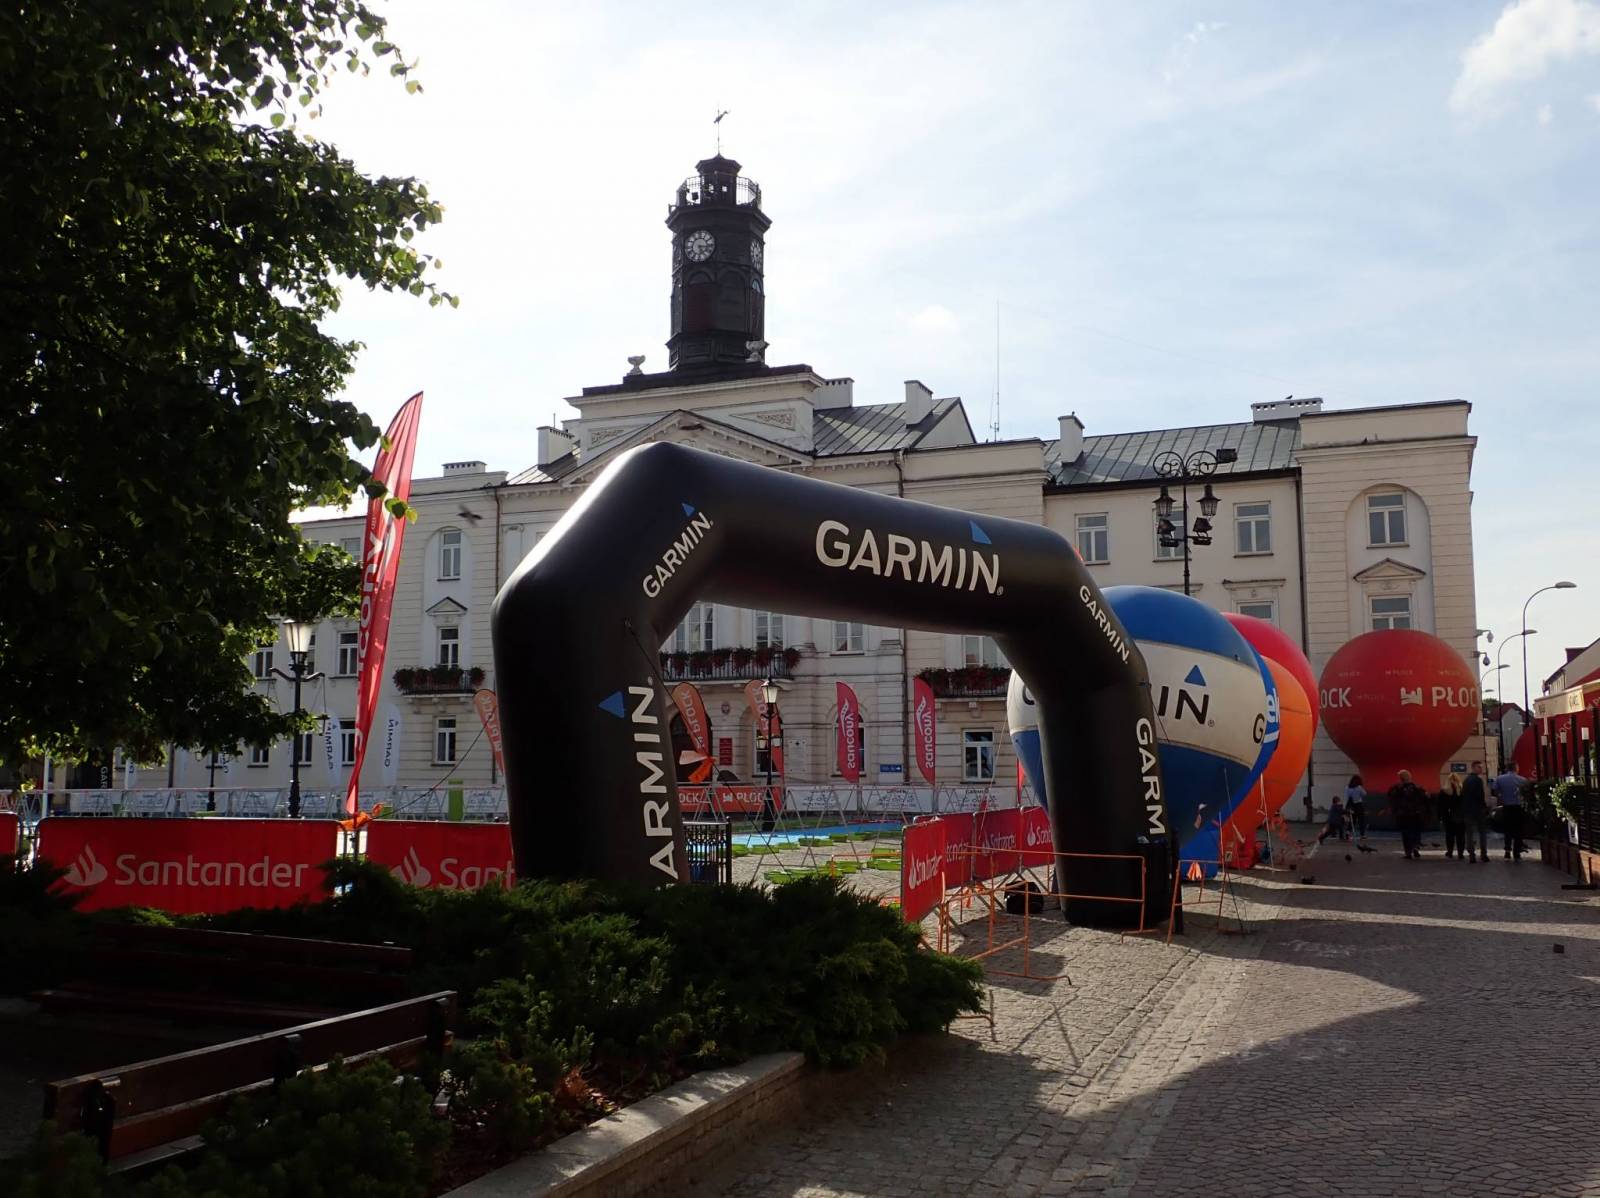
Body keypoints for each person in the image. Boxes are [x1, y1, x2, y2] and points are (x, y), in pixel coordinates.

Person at [1389, 770, 1429, 860]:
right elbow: (1424, 799)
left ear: (1401, 778)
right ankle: (1415, 847)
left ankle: (1408, 852)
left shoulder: (1398, 789)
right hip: (1416, 813)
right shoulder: (1417, 788)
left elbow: (1393, 799)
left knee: (1406, 833)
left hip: (1404, 814)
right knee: (1415, 831)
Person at [1493, 765, 1529, 860]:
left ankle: (1507, 851)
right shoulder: (1523, 780)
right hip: (1518, 807)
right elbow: (1526, 794)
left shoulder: (1499, 779)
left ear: (1507, 769)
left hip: (1506, 807)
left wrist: (1501, 798)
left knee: (1507, 829)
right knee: (1518, 830)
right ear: (1516, 768)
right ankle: (1516, 853)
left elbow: (1496, 792)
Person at [1461, 761, 1490, 863]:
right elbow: (1480, 796)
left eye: (1481, 767)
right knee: (1482, 832)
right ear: (1473, 768)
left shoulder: (1466, 780)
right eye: (1479, 767)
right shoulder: (1478, 780)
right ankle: (1483, 854)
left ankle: (1471, 855)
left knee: (1469, 833)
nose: (1481, 769)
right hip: (1478, 809)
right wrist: (1484, 806)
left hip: (1468, 810)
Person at [1436, 774, 1466, 859]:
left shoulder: (1444, 791)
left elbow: (1440, 806)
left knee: (1449, 835)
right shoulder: (1462, 790)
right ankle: (1460, 853)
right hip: (1460, 816)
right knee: (1461, 835)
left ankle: (1450, 852)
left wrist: (1439, 817)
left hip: (1448, 816)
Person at [1344, 774, 1368, 842]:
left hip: (1351, 805)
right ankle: (1362, 835)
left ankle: (1348, 833)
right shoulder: (1359, 787)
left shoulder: (1347, 787)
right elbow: (1364, 794)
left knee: (1352, 820)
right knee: (1361, 821)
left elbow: (1346, 797)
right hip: (1359, 805)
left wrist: (1346, 806)